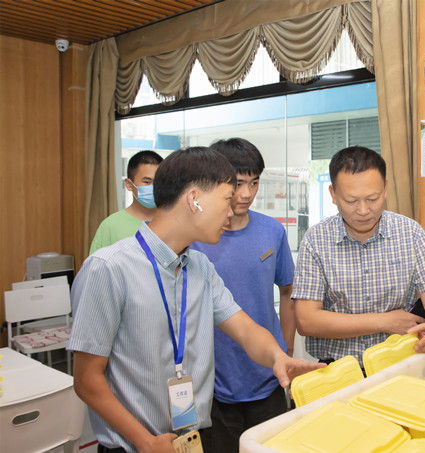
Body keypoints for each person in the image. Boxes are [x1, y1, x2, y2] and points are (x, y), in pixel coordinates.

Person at [68, 147, 322, 453]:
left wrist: (277, 357)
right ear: (194, 199)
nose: (231, 212)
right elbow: (86, 380)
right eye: (226, 199)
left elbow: (244, 329)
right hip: (137, 446)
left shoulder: (200, 266)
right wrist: (146, 441)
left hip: (190, 439)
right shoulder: (108, 268)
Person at [293, 146, 425, 368]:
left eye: (372, 199)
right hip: (340, 370)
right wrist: (385, 321)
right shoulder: (316, 240)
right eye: (351, 201)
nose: (363, 210)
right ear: (333, 194)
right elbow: (307, 320)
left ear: (385, 189)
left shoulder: (410, 232)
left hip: (403, 365)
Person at [190, 138, 295, 453]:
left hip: (268, 377)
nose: (247, 193)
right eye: (237, 184)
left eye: (254, 182)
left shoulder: (272, 231)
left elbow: (287, 291)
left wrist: (285, 348)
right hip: (213, 385)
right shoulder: (195, 239)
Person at [89, 150, 163, 254]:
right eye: (147, 182)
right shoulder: (110, 226)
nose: (154, 187)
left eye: (159, 181)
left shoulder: (173, 222)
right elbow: (97, 263)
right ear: (129, 184)